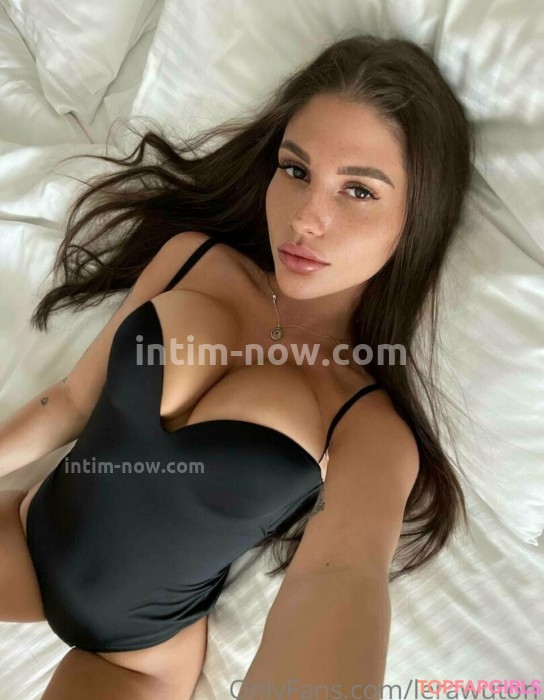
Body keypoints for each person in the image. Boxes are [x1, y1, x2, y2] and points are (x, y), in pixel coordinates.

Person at [0, 34, 474, 699]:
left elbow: (338, 578)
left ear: (414, 219)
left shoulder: (368, 427)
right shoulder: (192, 258)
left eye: (358, 191)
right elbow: (72, 401)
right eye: (296, 170)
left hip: (135, 655)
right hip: (25, 536)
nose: (306, 218)